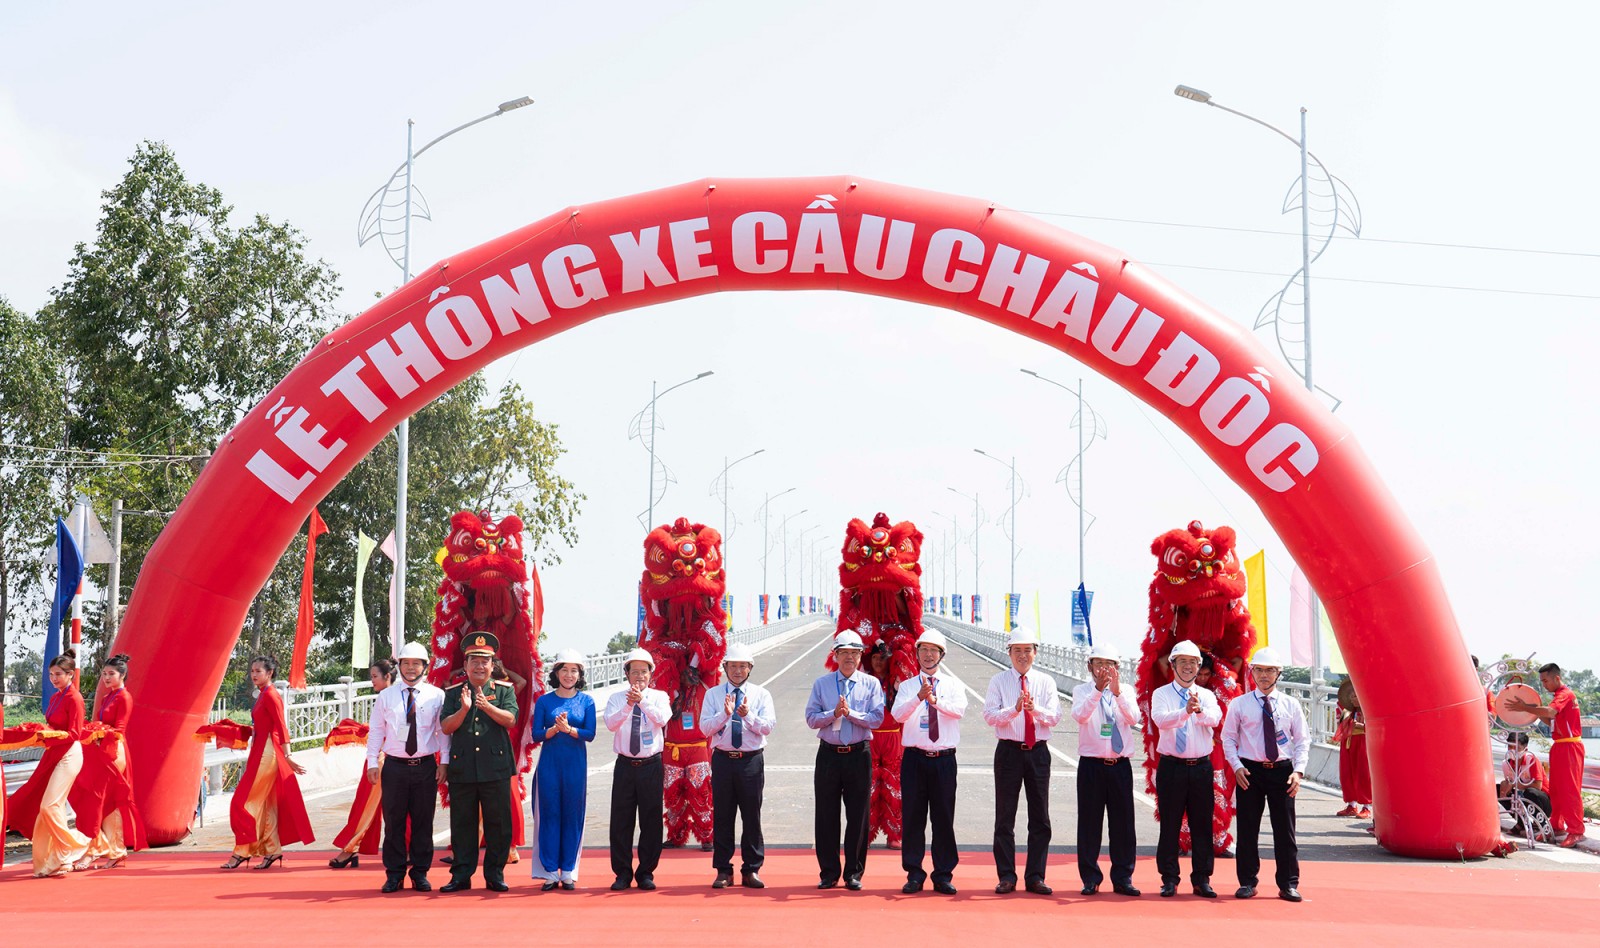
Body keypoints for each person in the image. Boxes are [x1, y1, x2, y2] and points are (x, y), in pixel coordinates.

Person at [1220, 647, 1308, 902]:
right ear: (1252, 672)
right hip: (1250, 772)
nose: (1264, 675)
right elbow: (1228, 738)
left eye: (1270, 670)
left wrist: (1298, 772)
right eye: (1259, 670)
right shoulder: (1240, 704)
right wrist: (1237, 766)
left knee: (1285, 831)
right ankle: (1247, 882)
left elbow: (1302, 740)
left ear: (1279, 673)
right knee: (1247, 830)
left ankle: (1288, 884)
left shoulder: (1291, 704)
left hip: (1283, 772)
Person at [804, 629, 886, 890]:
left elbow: (877, 718)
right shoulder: (822, 684)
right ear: (835, 656)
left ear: (861, 656)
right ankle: (828, 872)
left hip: (858, 754)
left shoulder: (871, 684)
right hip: (829, 754)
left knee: (858, 815)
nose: (849, 657)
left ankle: (853, 873)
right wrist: (833, 713)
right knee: (826, 814)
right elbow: (811, 718)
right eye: (844, 653)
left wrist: (850, 714)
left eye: (854, 653)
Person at [983, 626, 1061, 896]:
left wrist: (1033, 709)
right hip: (1008, 752)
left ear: (1035, 653)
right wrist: (1014, 709)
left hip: (1038, 752)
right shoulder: (998, 681)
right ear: (1009, 653)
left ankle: (1036, 876)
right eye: (1017, 650)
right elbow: (990, 716)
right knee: (1005, 817)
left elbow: (1054, 717)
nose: (1022, 655)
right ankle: (1006, 876)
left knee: (1040, 817)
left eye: (1027, 650)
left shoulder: (1046, 682)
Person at [440, 631, 519, 892]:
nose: (479, 666)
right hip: (463, 767)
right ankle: (461, 875)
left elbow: (511, 720)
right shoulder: (454, 693)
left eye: (485, 661)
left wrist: (487, 707)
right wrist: (464, 710)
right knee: (463, 824)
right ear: (465, 665)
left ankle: (495, 874)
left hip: (495, 767)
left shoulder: (504, 690)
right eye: (474, 661)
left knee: (498, 823)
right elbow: (446, 727)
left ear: (493, 665)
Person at [366, 643, 446, 893]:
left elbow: (442, 731)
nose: (411, 668)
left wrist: (444, 762)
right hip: (394, 767)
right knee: (393, 823)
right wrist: (372, 762)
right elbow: (376, 730)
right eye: (406, 663)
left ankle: (420, 873)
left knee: (423, 822)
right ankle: (394, 874)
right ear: (399, 666)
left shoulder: (436, 695)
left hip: (425, 766)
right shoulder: (386, 696)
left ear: (425, 666)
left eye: (416, 664)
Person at [221, 655, 314, 870]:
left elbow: (281, 726)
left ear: (269, 673)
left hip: (267, 753)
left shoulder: (271, 695)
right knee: (266, 803)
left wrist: (288, 756)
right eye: (252, 671)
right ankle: (272, 849)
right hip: (260, 751)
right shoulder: (263, 694)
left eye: (258, 671)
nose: (254, 675)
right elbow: (263, 725)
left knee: (244, 802)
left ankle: (242, 851)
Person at [891, 629, 966, 895]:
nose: (928, 655)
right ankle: (914, 873)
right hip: (915, 759)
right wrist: (919, 698)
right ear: (917, 654)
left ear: (941, 655)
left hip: (943, 759)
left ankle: (943, 874)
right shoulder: (908, 686)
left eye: (934, 650)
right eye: (923, 650)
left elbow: (959, 710)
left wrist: (935, 701)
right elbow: (898, 715)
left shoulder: (953, 685)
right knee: (913, 817)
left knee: (943, 817)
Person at [6, 650, 92, 877]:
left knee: (49, 806)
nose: (54, 679)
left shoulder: (74, 698)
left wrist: (48, 736)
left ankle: (80, 843)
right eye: (51, 674)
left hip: (69, 754)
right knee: (51, 808)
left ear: (70, 674)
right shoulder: (56, 698)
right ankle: (58, 860)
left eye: (58, 674)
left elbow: (75, 733)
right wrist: (41, 733)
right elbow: (53, 728)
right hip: (53, 753)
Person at [700, 642, 776, 889]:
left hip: (750, 761)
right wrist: (724, 714)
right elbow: (705, 728)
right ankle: (723, 870)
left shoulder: (761, 695)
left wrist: (747, 716)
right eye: (733, 666)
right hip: (723, 760)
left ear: (750, 668)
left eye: (743, 666)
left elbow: (768, 727)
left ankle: (751, 869)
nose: (737, 671)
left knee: (751, 816)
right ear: (725, 667)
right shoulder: (713, 695)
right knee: (723, 815)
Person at [1150, 640, 1221, 898]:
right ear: (1173, 665)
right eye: (1182, 662)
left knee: (1202, 825)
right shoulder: (1162, 694)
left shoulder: (1207, 696)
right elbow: (1160, 720)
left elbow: (1215, 719)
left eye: (1193, 662)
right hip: (1172, 766)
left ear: (1199, 666)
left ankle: (1202, 879)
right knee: (1169, 824)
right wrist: (1184, 711)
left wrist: (1198, 711)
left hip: (1200, 767)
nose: (1188, 667)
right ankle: (1169, 878)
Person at [1069, 642, 1140, 897]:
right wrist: (1098, 691)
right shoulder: (1081, 690)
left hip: (1119, 765)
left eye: (1109, 664)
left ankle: (1123, 877)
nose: (1103, 669)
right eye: (1098, 664)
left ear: (1117, 668)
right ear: (1090, 666)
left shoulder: (1126, 691)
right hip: (1092, 765)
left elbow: (1134, 718)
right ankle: (1090, 878)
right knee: (1089, 824)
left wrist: (1118, 694)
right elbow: (1080, 716)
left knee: (1123, 824)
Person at [71, 652, 148, 869]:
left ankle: (101, 850)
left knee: (104, 801)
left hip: (115, 752)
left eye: (111, 674)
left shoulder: (124, 697)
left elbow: (119, 730)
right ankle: (113, 849)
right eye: (104, 673)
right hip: (102, 750)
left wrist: (98, 732)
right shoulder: (107, 698)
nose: (106, 678)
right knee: (101, 802)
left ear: (122, 675)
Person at [604, 646, 671, 890]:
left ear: (651, 674)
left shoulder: (659, 697)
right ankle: (622, 873)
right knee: (621, 820)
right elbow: (611, 724)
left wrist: (642, 702)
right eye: (634, 672)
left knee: (651, 820)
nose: (639, 676)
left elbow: (662, 719)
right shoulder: (616, 698)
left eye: (644, 671)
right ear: (627, 674)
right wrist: (628, 705)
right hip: (625, 765)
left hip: (650, 765)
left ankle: (646, 873)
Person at [531, 648, 596, 891]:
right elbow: (536, 734)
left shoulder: (587, 701)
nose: (569, 675)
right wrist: (554, 730)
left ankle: (568, 870)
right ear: (556, 673)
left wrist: (569, 730)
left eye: (574, 670)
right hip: (549, 766)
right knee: (549, 814)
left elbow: (590, 733)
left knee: (572, 815)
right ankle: (549, 871)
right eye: (564, 670)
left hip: (575, 766)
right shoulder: (544, 701)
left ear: (580, 674)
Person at [1506, 663, 1587, 847]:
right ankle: (1557, 826)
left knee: (1570, 790)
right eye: (1542, 681)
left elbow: (1550, 712)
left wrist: (1526, 707)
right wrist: (1529, 708)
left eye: (1545, 681)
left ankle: (1576, 830)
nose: (1544, 684)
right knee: (1556, 789)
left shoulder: (1565, 694)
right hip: (1559, 746)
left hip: (1570, 746)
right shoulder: (1558, 697)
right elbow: (1550, 718)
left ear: (1556, 678)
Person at [328, 658, 395, 871]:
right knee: (373, 804)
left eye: (375, 676)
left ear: (388, 677)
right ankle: (353, 849)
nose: (372, 680)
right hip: (381, 756)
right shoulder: (388, 696)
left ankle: (350, 849)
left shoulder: (389, 696)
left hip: (384, 758)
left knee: (366, 805)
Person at [865, 641, 906, 850]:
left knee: (894, 786)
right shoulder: (863, 681)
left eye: (882, 658)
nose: (878, 661)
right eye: (874, 658)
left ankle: (894, 834)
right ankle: (866, 833)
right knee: (868, 786)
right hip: (870, 737)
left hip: (892, 738)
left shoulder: (897, 682)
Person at [1334, 686, 1371, 819]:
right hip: (1348, 741)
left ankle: (1366, 807)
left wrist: (1360, 726)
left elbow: (1375, 726)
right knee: (1347, 773)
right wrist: (1347, 724)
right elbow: (1340, 726)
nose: (1353, 699)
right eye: (1351, 697)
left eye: (1355, 696)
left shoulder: (1369, 708)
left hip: (1363, 742)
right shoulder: (1346, 710)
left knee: (1363, 773)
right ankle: (1351, 805)